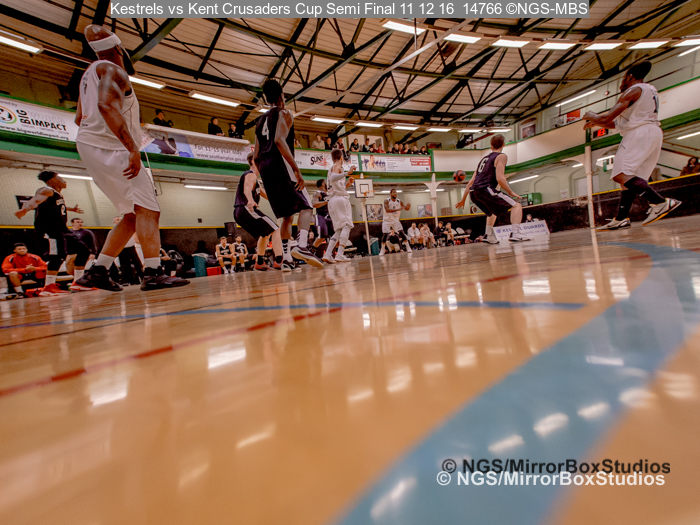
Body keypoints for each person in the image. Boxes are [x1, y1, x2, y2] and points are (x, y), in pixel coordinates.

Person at [72, 25, 189, 292]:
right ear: (119, 48)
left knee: (131, 215)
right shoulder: (113, 70)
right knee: (149, 210)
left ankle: (98, 270)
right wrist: (132, 148)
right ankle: (153, 272)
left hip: (90, 145)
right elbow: (105, 105)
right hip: (112, 147)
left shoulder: (89, 75)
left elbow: (79, 117)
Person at [583, 60, 681, 230]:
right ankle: (621, 218)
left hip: (639, 134)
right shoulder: (649, 91)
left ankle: (660, 202)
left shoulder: (633, 90)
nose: (621, 83)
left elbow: (607, 118)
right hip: (652, 132)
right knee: (629, 179)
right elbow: (616, 123)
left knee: (620, 174)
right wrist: (598, 122)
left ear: (629, 76)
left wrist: (591, 115)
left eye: (623, 79)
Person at [253, 79, 322, 268]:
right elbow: (278, 140)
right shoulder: (284, 113)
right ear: (282, 96)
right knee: (307, 206)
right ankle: (301, 246)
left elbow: (256, 156)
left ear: (267, 99)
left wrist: (264, 176)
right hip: (280, 165)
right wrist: (296, 170)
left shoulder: (259, 121)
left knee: (287, 215)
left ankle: (285, 259)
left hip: (266, 170)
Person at [15, 171, 94, 295]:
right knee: (57, 256)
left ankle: (78, 282)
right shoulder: (46, 190)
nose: (64, 181)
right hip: (50, 229)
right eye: (60, 178)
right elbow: (36, 200)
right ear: (52, 181)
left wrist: (71, 209)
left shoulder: (56, 194)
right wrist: (24, 209)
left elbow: (53, 206)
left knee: (83, 250)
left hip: (62, 229)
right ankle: (48, 286)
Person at [455, 134, 528, 243]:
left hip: (473, 193)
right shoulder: (501, 156)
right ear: (503, 144)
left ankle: (488, 235)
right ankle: (516, 234)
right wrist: (510, 192)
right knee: (516, 206)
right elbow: (500, 178)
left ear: (491, 146)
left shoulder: (483, 160)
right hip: (485, 189)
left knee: (492, 212)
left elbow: (470, 183)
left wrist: (463, 200)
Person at [233, 153, 285, 271]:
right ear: (254, 161)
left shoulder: (255, 179)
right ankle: (279, 261)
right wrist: (250, 200)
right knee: (276, 229)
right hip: (245, 208)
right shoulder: (250, 174)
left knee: (265, 234)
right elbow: (247, 188)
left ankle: (260, 262)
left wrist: (278, 201)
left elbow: (263, 193)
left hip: (240, 212)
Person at [322, 149, 356, 263]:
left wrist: (347, 184)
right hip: (340, 200)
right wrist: (347, 173)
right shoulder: (338, 166)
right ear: (341, 157)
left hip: (333, 200)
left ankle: (328, 254)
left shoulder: (332, 168)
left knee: (339, 229)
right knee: (347, 225)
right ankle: (340, 254)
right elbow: (333, 178)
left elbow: (336, 185)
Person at [379, 188, 412, 255]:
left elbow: (405, 208)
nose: (395, 193)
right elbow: (387, 210)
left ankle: (408, 247)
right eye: (394, 192)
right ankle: (382, 250)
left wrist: (407, 207)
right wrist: (398, 209)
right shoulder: (387, 201)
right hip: (387, 220)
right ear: (390, 194)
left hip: (395, 220)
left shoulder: (399, 201)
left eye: (396, 192)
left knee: (402, 233)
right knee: (385, 235)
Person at [312, 179, 334, 254]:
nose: (327, 183)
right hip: (321, 216)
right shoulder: (317, 193)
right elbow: (314, 204)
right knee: (322, 237)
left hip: (330, 216)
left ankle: (332, 254)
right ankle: (312, 251)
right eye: (325, 182)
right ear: (322, 184)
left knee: (335, 237)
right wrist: (326, 202)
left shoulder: (329, 193)